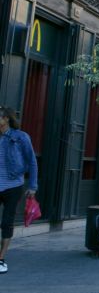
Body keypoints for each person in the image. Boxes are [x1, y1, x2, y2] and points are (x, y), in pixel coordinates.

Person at [0, 107, 38, 274]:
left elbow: (32, 162)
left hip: (13, 185)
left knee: (6, 222)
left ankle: (1, 259)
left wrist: (32, 186)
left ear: (6, 118)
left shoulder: (20, 137)